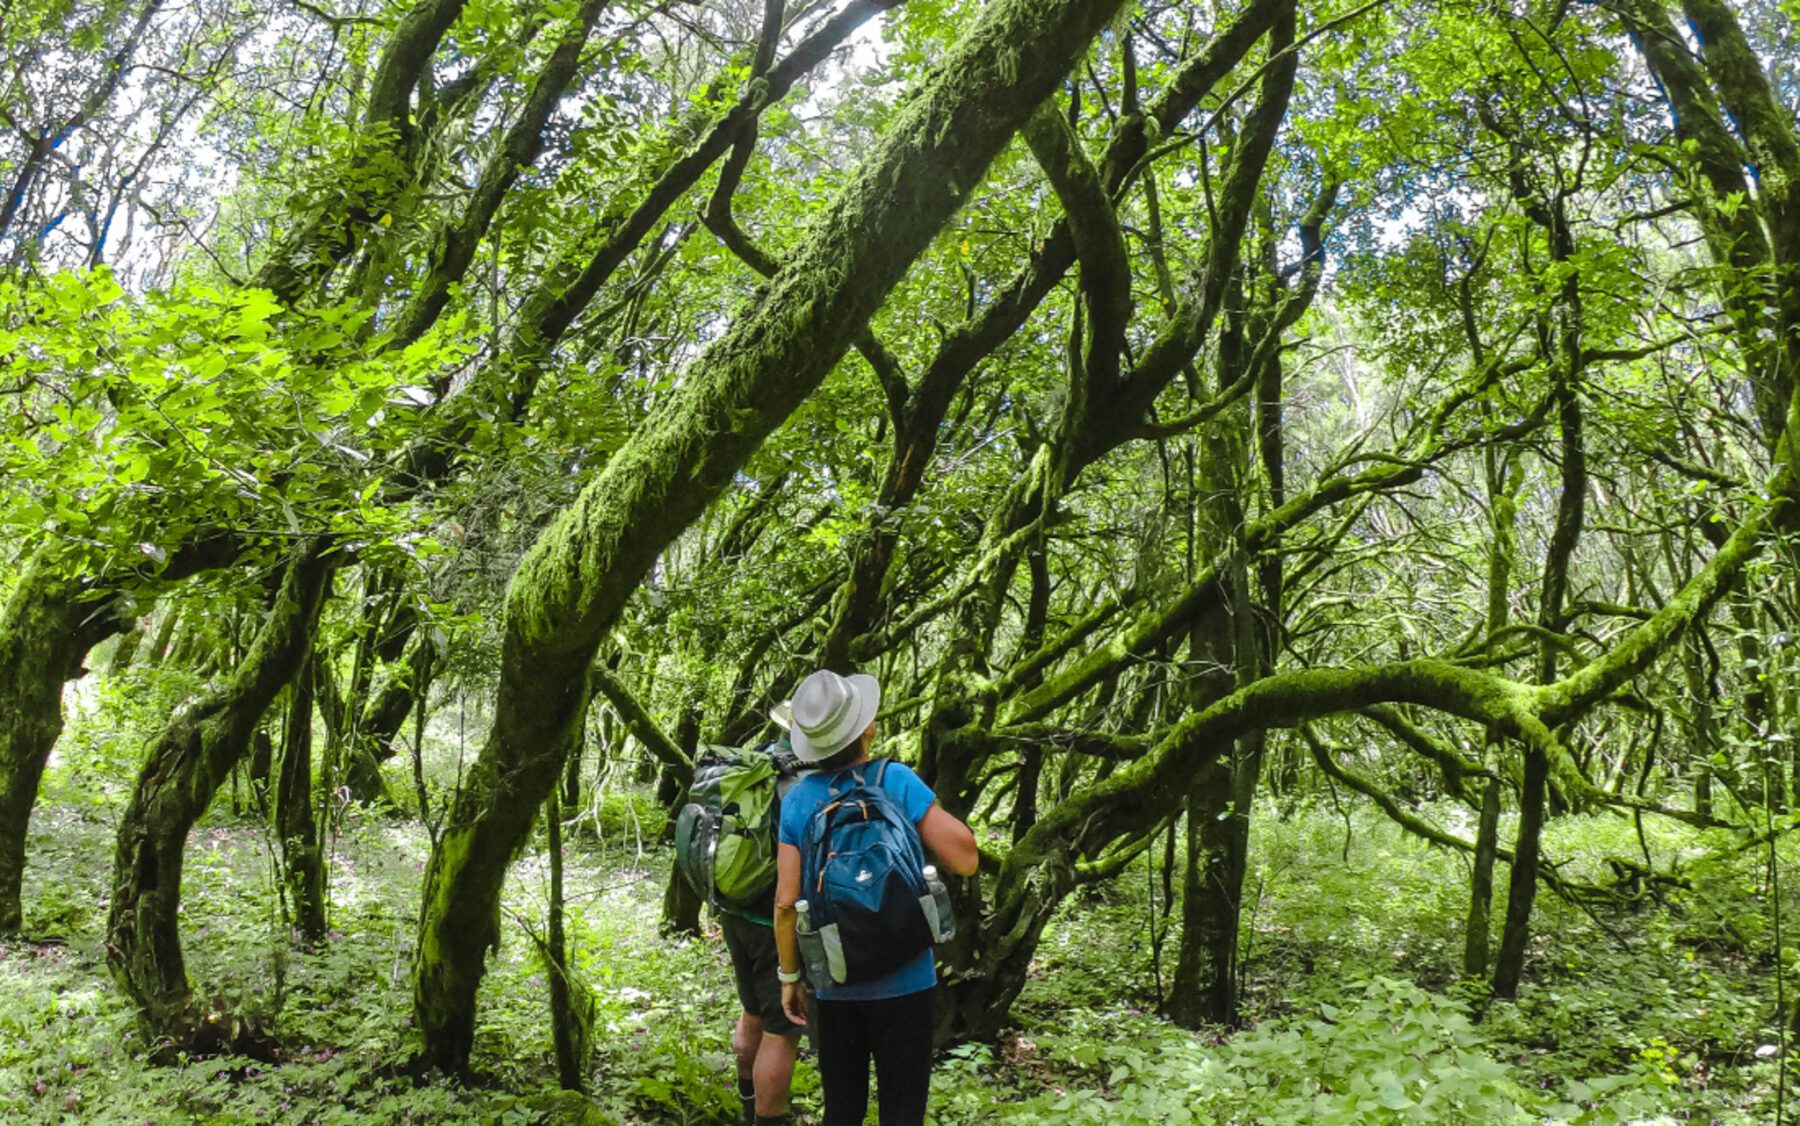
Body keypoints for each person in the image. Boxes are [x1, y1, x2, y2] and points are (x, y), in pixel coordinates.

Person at [773, 669, 979, 1126]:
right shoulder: (896, 780)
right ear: (867, 728)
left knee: (842, 1109)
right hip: (908, 981)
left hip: (835, 981)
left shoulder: (798, 801)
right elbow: (965, 858)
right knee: (903, 1112)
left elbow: (786, 902)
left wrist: (790, 977)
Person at [718, 708, 805, 1126]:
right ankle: (767, 1119)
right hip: (773, 923)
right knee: (781, 1030)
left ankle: (748, 1105)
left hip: (734, 911)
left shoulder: (755, 761)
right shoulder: (802, 782)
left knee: (752, 1010)